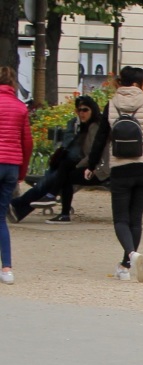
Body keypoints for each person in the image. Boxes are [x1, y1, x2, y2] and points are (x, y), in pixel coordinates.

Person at [87, 65, 143, 282]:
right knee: (135, 219)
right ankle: (126, 264)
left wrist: (91, 165)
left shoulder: (111, 105)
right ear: (141, 84)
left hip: (120, 167)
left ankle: (130, 255)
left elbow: (101, 138)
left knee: (120, 219)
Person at [10, 96, 102, 224]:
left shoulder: (95, 127)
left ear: (93, 109)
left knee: (57, 177)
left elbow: (92, 153)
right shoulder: (79, 125)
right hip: (72, 165)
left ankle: (21, 205)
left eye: (85, 110)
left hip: (92, 168)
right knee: (56, 176)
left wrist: (78, 165)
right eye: (79, 110)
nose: (81, 113)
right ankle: (21, 207)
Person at [0, 67, 32, 285]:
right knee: (1, 217)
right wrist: (21, 171)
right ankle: (7, 268)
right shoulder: (21, 108)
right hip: (11, 165)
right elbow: (27, 143)